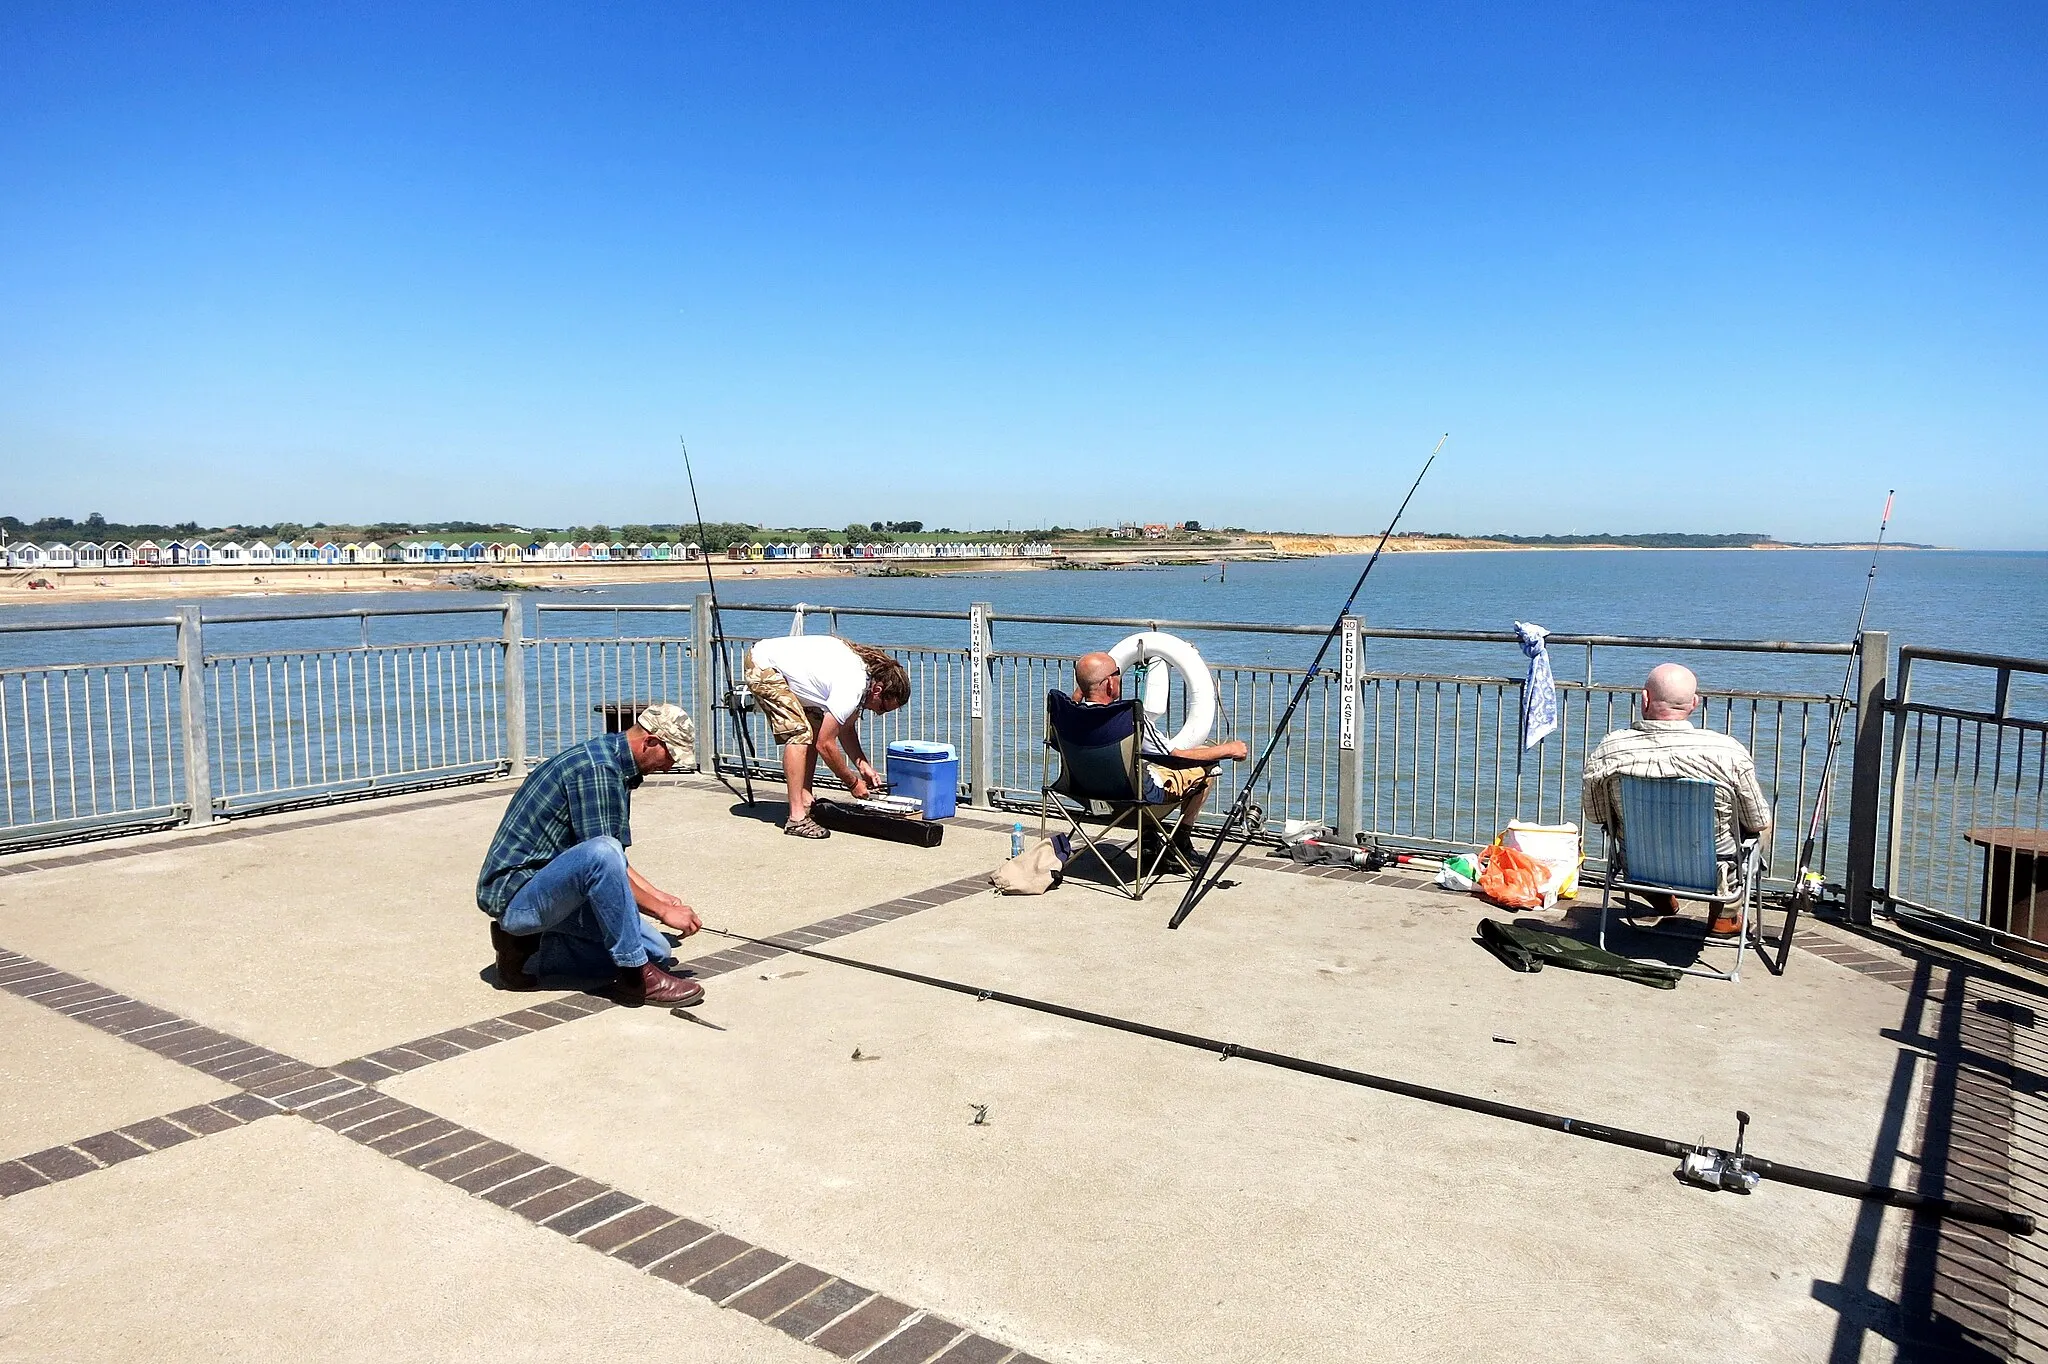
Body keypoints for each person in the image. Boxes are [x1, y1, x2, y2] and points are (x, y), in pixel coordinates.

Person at [476, 703, 706, 1006]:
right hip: (517, 898)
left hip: (551, 887)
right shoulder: (597, 770)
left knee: (658, 951)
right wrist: (662, 911)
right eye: (671, 756)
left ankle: (524, 946)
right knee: (635, 951)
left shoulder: (613, 761)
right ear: (650, 742)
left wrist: (659, 896)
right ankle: (635, 978)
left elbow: (613, 859)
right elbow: (602, 857)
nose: (669, 767)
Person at [1581, 663, 1772, 935]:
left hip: (1638, 864)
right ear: (1694, 703)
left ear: (1645, 698)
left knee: (1631, 829)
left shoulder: (1610, 748)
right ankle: (1724, 913)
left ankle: (1659, 895)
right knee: (1763, 824)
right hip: (1713, 869)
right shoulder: (1727, 751)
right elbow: (1756, 820)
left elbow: (1596, 816)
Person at [1071, 651, 1249, 859]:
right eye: (1117, 673)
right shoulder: (1128, 720)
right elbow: (1174, 758)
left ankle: (1149, 838)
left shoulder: (1067, 717)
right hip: (1138, 804)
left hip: (1089, 798)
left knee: (1146, 764)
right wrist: (1228, 749)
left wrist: (1080, 693)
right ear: (1110, 683)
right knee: (1206, 764)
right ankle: (1180, 842)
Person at [744, 634, 912, 838]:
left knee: (815, 726)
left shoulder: (864, 677)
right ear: (878, 690)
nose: (878, 713)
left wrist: (863, 765)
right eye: (883, 708)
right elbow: (825, 744)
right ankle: (796, 818)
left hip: (775, 662)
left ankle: (805, 800)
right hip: (763, 665)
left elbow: (845, 729)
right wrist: (852, 783)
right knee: (800, 733)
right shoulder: (853, 686)